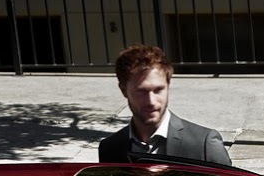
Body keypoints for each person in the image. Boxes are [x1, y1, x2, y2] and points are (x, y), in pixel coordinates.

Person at [98, 44, 231, 167]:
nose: (151, 101)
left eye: (158, 90)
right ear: (123, 90)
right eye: (141, 91)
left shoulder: (203, 144)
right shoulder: (110, 148)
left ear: (168, 86)